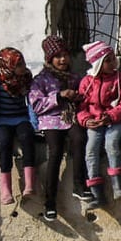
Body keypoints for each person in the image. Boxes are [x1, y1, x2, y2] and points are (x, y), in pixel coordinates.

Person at [27, 36, 85, 222]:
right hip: (51, 122)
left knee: (79, 139)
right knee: (55, 153)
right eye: (57, 56)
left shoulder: (75, 78)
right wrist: (59, 96)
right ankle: (50, 201)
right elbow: (36, 104)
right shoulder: (41, 80)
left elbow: (85, 97)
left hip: (71, 119)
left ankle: (79, 185)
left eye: (65, 55)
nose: (62, 60)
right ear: (49, 59)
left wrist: (77, 97)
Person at [76, 39, 121, 207]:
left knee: (111, 143)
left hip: (115, 121)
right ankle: (96, 192)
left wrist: (111, 116)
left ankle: (117, 185)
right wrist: (86, 120)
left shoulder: (120, 79)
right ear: (98, 63)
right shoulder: (87, 82)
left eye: (112, 58)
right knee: (91, 150)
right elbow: (82, 106)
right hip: (95, 122)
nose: (112, 63)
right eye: (107, 60)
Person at [0, 48, 38, 206]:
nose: (23, 67)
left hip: (21, 118)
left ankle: (29, 184)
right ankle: (6, 190)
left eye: (23, 63)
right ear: (9, 65)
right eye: (19, 64)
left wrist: (34, 125)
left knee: (27, 138)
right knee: (4, 142)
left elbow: (31, 102)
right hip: (3, 120)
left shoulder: (25, 78)